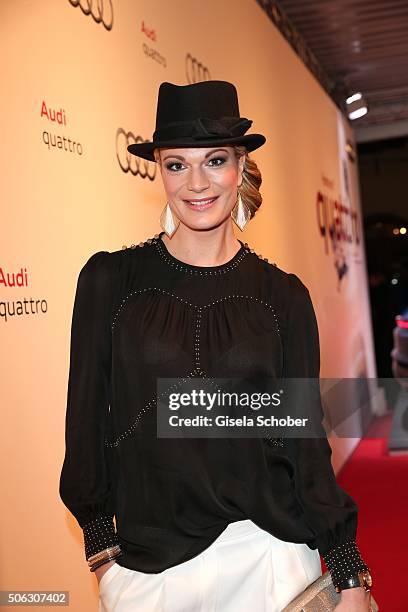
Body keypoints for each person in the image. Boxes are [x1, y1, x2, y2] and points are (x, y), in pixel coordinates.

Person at [59, 81, 373, 611]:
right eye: (177, 164)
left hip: (270, 557)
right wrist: (103, 554)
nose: (196, 183)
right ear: (158, 168)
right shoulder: (110, 281)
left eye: (215, 160)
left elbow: (304, 441)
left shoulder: (284, 297)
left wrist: (346, 569)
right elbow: (85, 421)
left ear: (241, 166)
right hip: (149, 568)